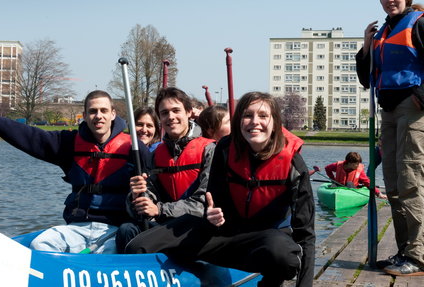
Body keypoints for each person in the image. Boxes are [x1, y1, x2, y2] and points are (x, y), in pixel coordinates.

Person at [125, 92, 315, 287]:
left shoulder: (294, 166)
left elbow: (306, 235)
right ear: (239, 121)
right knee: (138, 245)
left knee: (284, 256)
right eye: (247, 115)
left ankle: (269, 282)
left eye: (263, 116)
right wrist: (213, 215)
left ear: (274, 122)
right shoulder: (224, 149)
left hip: (263, 240)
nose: (254, 122)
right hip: (222, 235)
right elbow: (214, 202)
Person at [0, 82, 150, 254]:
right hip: (77, 228)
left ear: (113, 114)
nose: (99, 116)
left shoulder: (134, 148)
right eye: (93, 111)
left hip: (114, 229)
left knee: (111, 251)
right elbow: (26, 135)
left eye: (104, 111)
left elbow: (154, 191)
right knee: (40, 244)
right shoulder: (69, 143)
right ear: (85, 115)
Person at [356, 0, 424, 275]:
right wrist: (367, 45)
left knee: (411, 180)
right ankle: (403, 251)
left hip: (413, 107)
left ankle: (419, 255)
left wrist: (421, 96)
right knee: (394, 184)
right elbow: (365, 78)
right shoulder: (383, 31)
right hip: (389, 110)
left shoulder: (418, 23)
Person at [115, 87, 215, 253]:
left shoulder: (209, 149)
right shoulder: (156, 155)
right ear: (160, 118)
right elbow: (149, 200)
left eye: (176, 111)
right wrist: (137, 197)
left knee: (137, 244)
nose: (171, 117)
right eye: (164, 113)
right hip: (166, 223)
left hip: (197, 224)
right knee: (127, 230)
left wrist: (160, 210)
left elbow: (203, 203)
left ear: (189, 112)